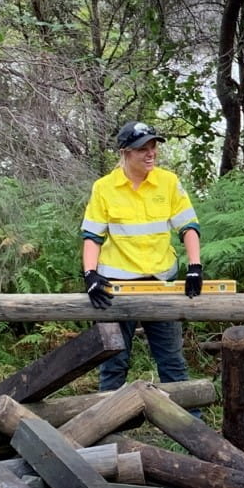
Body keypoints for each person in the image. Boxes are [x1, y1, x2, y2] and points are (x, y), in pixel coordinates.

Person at [80, 121, 204, 393]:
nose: (151, 154)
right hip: (116, 285)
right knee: (113, 361)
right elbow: (92, 236)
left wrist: (195, 266)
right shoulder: (104, 187)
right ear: (124, 152)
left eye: (153, 147)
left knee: (172, 361)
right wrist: (89, 273)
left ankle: (188, 428)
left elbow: (189, 226)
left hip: (161, 281)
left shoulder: (168, 182)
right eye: (142, 149)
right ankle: (104, 429)